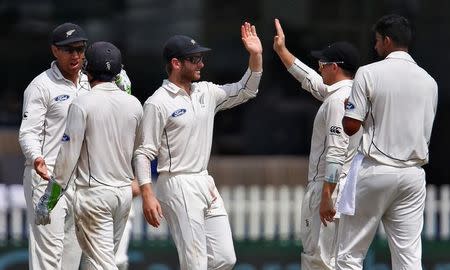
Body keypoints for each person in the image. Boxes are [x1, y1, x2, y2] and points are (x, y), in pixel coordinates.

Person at [133, 22, 263, 270]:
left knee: (225, 258)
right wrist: (148, 194)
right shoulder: (157, 103)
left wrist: (255, 55)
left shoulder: (207, 92)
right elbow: (143, 152)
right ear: (176, 63)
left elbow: (246, 90)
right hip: (176, 181)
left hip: (204, 179)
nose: (201, 64)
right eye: (195, 59)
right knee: (195, 263)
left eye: (201, 58)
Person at [338, 14, 438, 269]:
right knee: (409, 258)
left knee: (349, 254)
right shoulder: (430, 81)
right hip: (413, 175)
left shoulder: (368, 72)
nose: (375, 46)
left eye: (377, 41)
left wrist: (346, 110)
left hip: (376, 169)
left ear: (388, 41)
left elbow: (350, 127)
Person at [34, 41, 143, 269]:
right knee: (95, 263)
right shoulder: (134, 104)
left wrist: (49, 199)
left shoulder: (82, 103)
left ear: (87, 70)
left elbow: (66, 157)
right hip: (122, 196)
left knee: (102, 265)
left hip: (95, 197)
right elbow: (140, 148)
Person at [273, 18, 361, 269]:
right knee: (341, 259)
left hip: (329, 185)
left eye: (323, 63)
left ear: (335, 67)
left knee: (318, 259)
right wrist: (282, 51)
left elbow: (335, 150)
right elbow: (310, 80)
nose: (319, 67)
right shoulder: (353, 96)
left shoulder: (335, 102)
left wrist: (326, 195)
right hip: (347, 188)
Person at [18, 22, 88, 270]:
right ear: (54, 51)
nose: (76, 55)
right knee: (47, 259)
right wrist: (36, 158)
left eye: (80, 49)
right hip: (47, 179)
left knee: (71, 259)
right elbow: (28, 133)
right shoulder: (41, 85)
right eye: (69, 50)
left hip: (79, 181)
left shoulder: (89, 83)